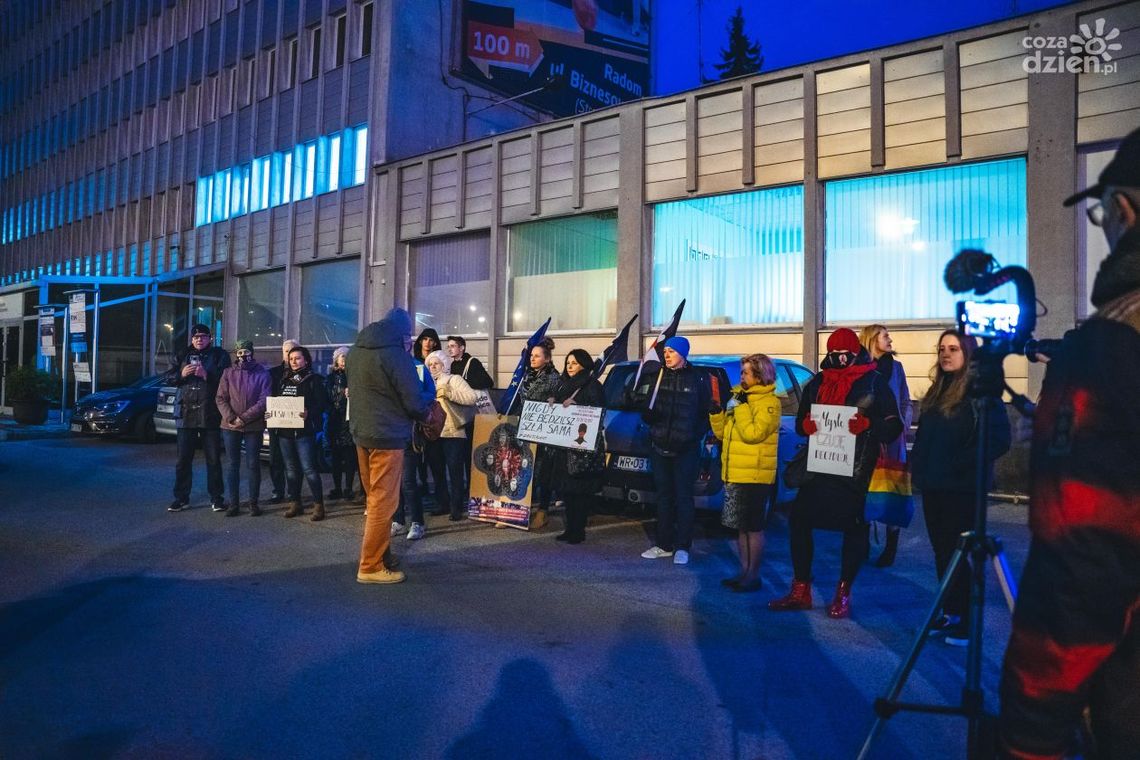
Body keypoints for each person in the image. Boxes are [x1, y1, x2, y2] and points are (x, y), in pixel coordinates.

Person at [999, 128, 1140, 757]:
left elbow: (1084, 557)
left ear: (1123, 211)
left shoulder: (1110, 348)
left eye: (1100, 214)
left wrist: (1029, 732)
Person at [768, 328, 902, 618]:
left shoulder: (874, 382)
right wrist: (806, 426)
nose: (840, 359)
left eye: (846, 354)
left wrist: (869, 426)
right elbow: (802, 419)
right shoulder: (818, 382)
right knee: (799, 520)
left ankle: (843, 591)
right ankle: (801, 588)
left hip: (855, 471)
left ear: (856, 353)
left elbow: (894, 426)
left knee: (853, 528)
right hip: (818, 468)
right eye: (834, 354)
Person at [909, 330, 1010, 645]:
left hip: (962, 489)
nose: (946, 354)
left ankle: (966, 621)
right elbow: (925, 436)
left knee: (959, 553)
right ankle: (950, 611)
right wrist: (919, 467)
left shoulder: (980, 394)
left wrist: (960, 463)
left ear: (968, 353)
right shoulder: (937, 391)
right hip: (935, 486)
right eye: (942, 348)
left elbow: (999, 439)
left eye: (953, 348)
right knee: (942, 552)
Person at [347, 307, 435, 585]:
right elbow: (413, 399)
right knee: (383, 504)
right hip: (388, 435)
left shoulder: (356, 350)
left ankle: (382, 555)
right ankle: (370, 566)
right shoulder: (397, 355)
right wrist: (426, 414)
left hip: (361, 433)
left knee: (373, 498)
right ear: (403, 332)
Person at [637, 336, 712, 566]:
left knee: (683, 497)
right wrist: (647, 414)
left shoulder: (697, 378)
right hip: (660, 446)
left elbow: (705, 412)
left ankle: (682, 546)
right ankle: (664, 544)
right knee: (664, 497)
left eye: (671, 351)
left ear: (683, 353)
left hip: (685, 449)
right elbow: (646, 405)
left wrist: (693, 435)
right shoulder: (658, 376)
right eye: (665, 351)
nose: (667, 355)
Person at [709, 353, 780, 592]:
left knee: (753, 527)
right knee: (740, 526)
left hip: (755, 475)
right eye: (741, 372)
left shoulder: (769, 403)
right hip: (735, 472)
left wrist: (739, 408)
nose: (741, 377)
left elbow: (753, 434)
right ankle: (744, 571)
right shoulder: (740, 398)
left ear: (759, 375)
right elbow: (724, 434)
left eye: (746, 373)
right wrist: (716, 414)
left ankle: (753, 575)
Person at [858, 323, 913, 567]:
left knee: (892, 490)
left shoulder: (896, 368)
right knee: (864, 490)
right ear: (872, 340)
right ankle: (862, 543)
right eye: (885, 336)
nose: (890, 340)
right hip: (866, 438)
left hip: (893, 439)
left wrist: (901, 426)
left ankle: (890, 549)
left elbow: (905, 401)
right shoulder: (860, 367)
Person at [165, 323, 231, 512]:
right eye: (196, 337)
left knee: (213, 460)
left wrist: (206, 375)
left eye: (203, 336)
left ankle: (217, 498)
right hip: (186, 414)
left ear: (210, 338)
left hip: (210, 414)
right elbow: (168, 377)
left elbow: (227, 379)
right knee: (183, 460)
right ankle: (181, 498)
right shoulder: (182, 354)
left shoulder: (219, 355)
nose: (199, 340)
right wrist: (181, 374)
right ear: (191, 339)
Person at [548, 349, 606, 544]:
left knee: (579, 492)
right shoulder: (562, 385)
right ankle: (569, 528)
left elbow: (598, 412)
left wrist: (578, 407)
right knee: (568, 492)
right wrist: (552, 403)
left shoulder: (592, 385)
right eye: (568, 363)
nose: (570, 366)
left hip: (581, 449)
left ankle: (578, 530)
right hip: (564, 448)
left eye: (574, 363)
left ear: (584, 364)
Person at [272, 345, 330, 521]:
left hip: (304, 432)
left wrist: (309, 413)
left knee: (309, 469)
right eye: (291, 359)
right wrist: (271, 413)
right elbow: (277, 401)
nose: (294, 362)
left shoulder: (314, 379)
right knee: (290, 470)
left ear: (306, 360)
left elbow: (323, 404)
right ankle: (295, 502)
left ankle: (318, 505)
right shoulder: (284, 379)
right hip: (285, 432)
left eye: (297, 358)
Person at [215, 340, 271, 517]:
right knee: (232, 465)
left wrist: (244, 418)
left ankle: (253, 503)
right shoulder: (228, 373)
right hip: (230, 426)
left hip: (253, 426)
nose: (243, 356)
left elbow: (264, 400)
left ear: (251, 352)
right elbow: (220, 398)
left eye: (246, 352)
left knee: (253, 464)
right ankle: (234, 503)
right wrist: (232, 418)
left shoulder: (262, 373)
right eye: (239, 352)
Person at [509, 337, 560, 530]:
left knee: (543, 472)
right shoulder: (527, 376)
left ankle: (542, 510)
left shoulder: (553, 378)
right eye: (531, 355)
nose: (532, 358)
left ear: (547, 359)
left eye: (537, 356)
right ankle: (519, 510)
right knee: (524, 469)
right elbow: (522, 401)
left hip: (544, 433)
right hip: (526, 429)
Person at [425, 350, 479, 522]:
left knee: (455, 471)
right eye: (430, 364)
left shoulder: (454, 379)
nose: (433, 367)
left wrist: (449, 393)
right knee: (437, 471)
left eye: (436, 363)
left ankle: (456, 507)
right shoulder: (425, 383)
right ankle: (443, 503)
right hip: (432, 433)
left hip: (453, 432)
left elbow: (472, 397)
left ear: (444, 364)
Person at [267, 339, 300, 504]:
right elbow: (266, 395)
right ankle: (277, 491)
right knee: (275, 459)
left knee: (293, 460)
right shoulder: (272, 373)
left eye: (293, 351)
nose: (289, 354)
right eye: (286, 351)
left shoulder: (305, 373)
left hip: (295, 424)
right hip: (276, 423)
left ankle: (293, 492)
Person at [324, 346, 359, 502]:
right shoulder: (329, 378)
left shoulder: (354, 376)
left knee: (350, 456)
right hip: (334, 421)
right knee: (336, 457)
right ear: (336, 360)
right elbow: (325, 398)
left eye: (347, 356)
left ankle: (348, 488)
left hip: (349, 420)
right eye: (342, 356)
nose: (344, 359)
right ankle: (337, 487)